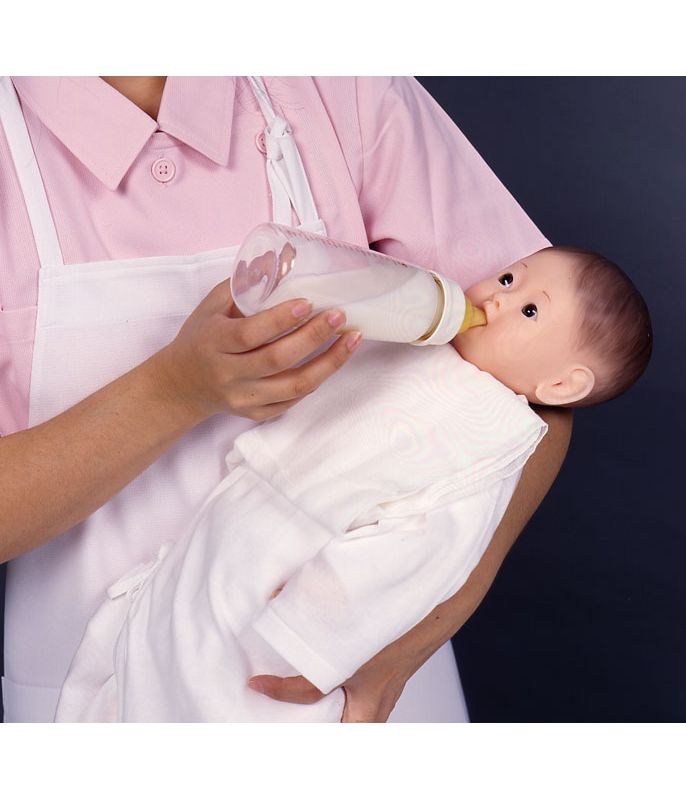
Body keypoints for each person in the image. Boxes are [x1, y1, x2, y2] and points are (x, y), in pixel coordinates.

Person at [0, 76, 573, 723]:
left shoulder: (340, 86)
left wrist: (431, 618)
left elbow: (543, 380)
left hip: (360, 680)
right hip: (111, 694)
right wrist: (173, 392)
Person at [54, 245, 652, 722]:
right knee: (149, 661)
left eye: (529, 311)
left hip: (291, 573)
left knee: (227, 699)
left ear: (562, 386)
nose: (497, 298)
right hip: (235, 520)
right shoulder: (427, 335)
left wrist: (312, 631)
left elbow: (423, 552)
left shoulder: (490, 439)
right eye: (508, 279)